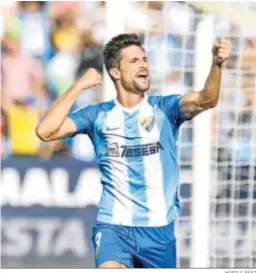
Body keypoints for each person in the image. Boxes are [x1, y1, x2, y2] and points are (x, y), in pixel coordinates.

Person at [36, 34, 232, 268]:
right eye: (134, 61)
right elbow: (45, 132)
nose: (144, 65)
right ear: (116, 72)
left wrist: (217, 64)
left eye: (145, 59)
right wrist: (78, 86)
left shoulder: (165, 109)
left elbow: (206, 100)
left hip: (159, 231)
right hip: (114, 226)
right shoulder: (97, 115)